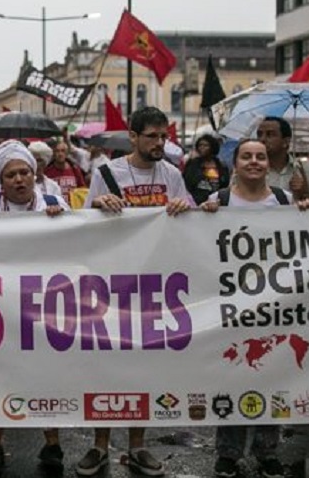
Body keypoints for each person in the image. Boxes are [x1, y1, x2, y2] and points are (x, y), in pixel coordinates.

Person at [80, 106, 191, 477]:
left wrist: (183, 207)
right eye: (152, 136)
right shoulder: (106, 173)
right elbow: (85, 224)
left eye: (164, 136)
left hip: (154, 287)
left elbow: (193, 223)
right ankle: (99, 445)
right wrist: (98, 204)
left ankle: (138, 445)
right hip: (112, 285)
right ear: (133, 136)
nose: (160, 143)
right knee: (104, 366)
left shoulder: (173, 174)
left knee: (142, 366)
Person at [199, 140, 309, 478]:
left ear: (268, 162)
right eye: (246, 156)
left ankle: (267, 450)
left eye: (260, 157)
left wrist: (307, 208)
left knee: (272, 376)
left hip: (274, 307)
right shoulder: (217, 201)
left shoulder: (284, 201)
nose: (254, 162)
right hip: (231, 309)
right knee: (233, 375)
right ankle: (228, 453)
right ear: (234, 164)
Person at [0, 141, 68, 477]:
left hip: (44, 306)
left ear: (34, 174)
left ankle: (52, 443)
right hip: (0, 307)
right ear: (1, 181)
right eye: (11, 174)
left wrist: (63, 222)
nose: (18, 180)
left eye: (24, 172)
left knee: (46, 375)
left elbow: (80, 244)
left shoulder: (55, 202)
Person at [256, 117, 309, 202]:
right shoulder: (252, 169)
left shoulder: (305, 170)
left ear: (286, 142)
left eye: (270, 134)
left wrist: (304, 193)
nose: (262, 139)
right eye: (259, 135)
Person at [182, 133, 230, 205]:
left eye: (205, 145)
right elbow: (186, 183)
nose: (202, 148)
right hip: (197, 203)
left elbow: (225, 184)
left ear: (212, 147)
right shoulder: (193, 164)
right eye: (200, 145)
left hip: (216, 203)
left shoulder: (221, 165)